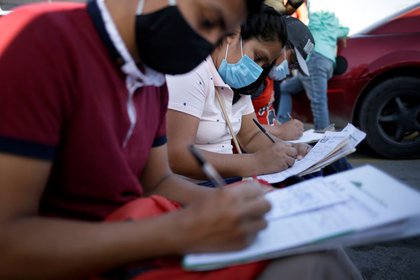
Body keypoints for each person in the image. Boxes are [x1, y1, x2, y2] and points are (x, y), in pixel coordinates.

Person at [0, 0, 361, 279]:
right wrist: (176, 231)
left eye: (222, 33)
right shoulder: (41, 43)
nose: (206, 44)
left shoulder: (152, 74)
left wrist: (228, 204)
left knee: (316, 250)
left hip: (139, 236)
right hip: (97, 255)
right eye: (206, 19)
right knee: (312, 265)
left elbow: (156, 179)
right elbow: (9, 247)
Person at [166, 6, 313, 185]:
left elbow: (250, 135)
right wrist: (256, 162)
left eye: (264, 64)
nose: (257, 70)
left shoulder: (238, 83)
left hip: (225, 183)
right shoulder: (192, 71)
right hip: (194, 189)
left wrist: (289, 150)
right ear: (232, 34)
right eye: (258, 57)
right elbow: (178, 156)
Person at [277, 0, 349, 130]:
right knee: (285, 88)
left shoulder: (317, 4)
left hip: (315, 59)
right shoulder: (333, 14)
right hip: (328, 62)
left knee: (318, 102)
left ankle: (324, 143)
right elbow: (344, 30)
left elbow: (313, 26)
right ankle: (281, 124)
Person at [251, 15, 314, 141]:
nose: (291, 68)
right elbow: (240, 127)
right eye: (292, 61)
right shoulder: (251, 78)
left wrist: (284, 127)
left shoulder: (267, 76)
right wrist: (280, 131)